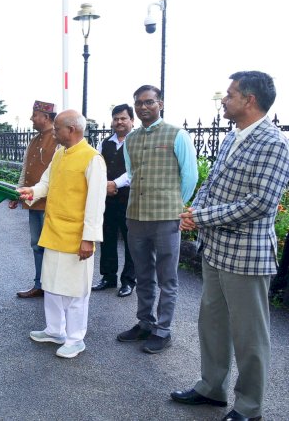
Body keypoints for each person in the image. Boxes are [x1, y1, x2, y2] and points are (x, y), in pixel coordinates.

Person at [172, 71, 289, 421]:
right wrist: (195, 211)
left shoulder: (274, 143)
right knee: (212, 324)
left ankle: (249, 407)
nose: (224, 99)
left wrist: (202, 218)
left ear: (249, 100)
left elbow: (260, 203)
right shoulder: (231, 136)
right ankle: (212, 387)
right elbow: (213, 183)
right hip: (216, 249)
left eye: (230, 93)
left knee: (250, 337)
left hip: (247, 257)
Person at [17, 110, 106, 359]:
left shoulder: (92, 159)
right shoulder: (59, 153)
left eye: (57, 129)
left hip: (77, 237)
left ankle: (76, 339)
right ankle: (55, 330)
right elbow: (46, 183)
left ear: (72, 130)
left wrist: (89, 238)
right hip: (54, 230)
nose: (53, 132)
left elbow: (96, 203)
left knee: (75, 290)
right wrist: (30, 192)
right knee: (52, 285)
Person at [117, 86, 198, 354]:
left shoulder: (177, 134)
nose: (143, 107)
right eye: (139, 103)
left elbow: (190, 176)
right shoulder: (131, 138)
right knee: (142, 273)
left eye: (149, 102)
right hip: (136, 216)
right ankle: (144, 322)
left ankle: (163, 330)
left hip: (166, 218)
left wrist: (176, 205)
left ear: (159, 103)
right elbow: (131, 173)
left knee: (167, 277)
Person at [10, 100, 57, 298]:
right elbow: (25, 169)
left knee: (51, 247)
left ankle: (53, 287)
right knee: (36, 245)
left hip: (50, 203)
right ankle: (40, 284)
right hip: (33, 202)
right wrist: (17, 193)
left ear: (46, 117)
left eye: (35, 115)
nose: (31, 118)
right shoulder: (34, 140)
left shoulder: (57, 140)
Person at [92, 104, 136, 297]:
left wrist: (115, 184)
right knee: (107, 238)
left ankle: (128, 281)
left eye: (123, 118)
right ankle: (108, 277)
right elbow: (96, 165)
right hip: (107, 199)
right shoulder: (105, 143)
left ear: (132, 121)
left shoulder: (136, 141)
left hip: (130, 198)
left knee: (130, 241)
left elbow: (136, 169)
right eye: (116, 118)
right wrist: (104, 184)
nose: (119, 122)